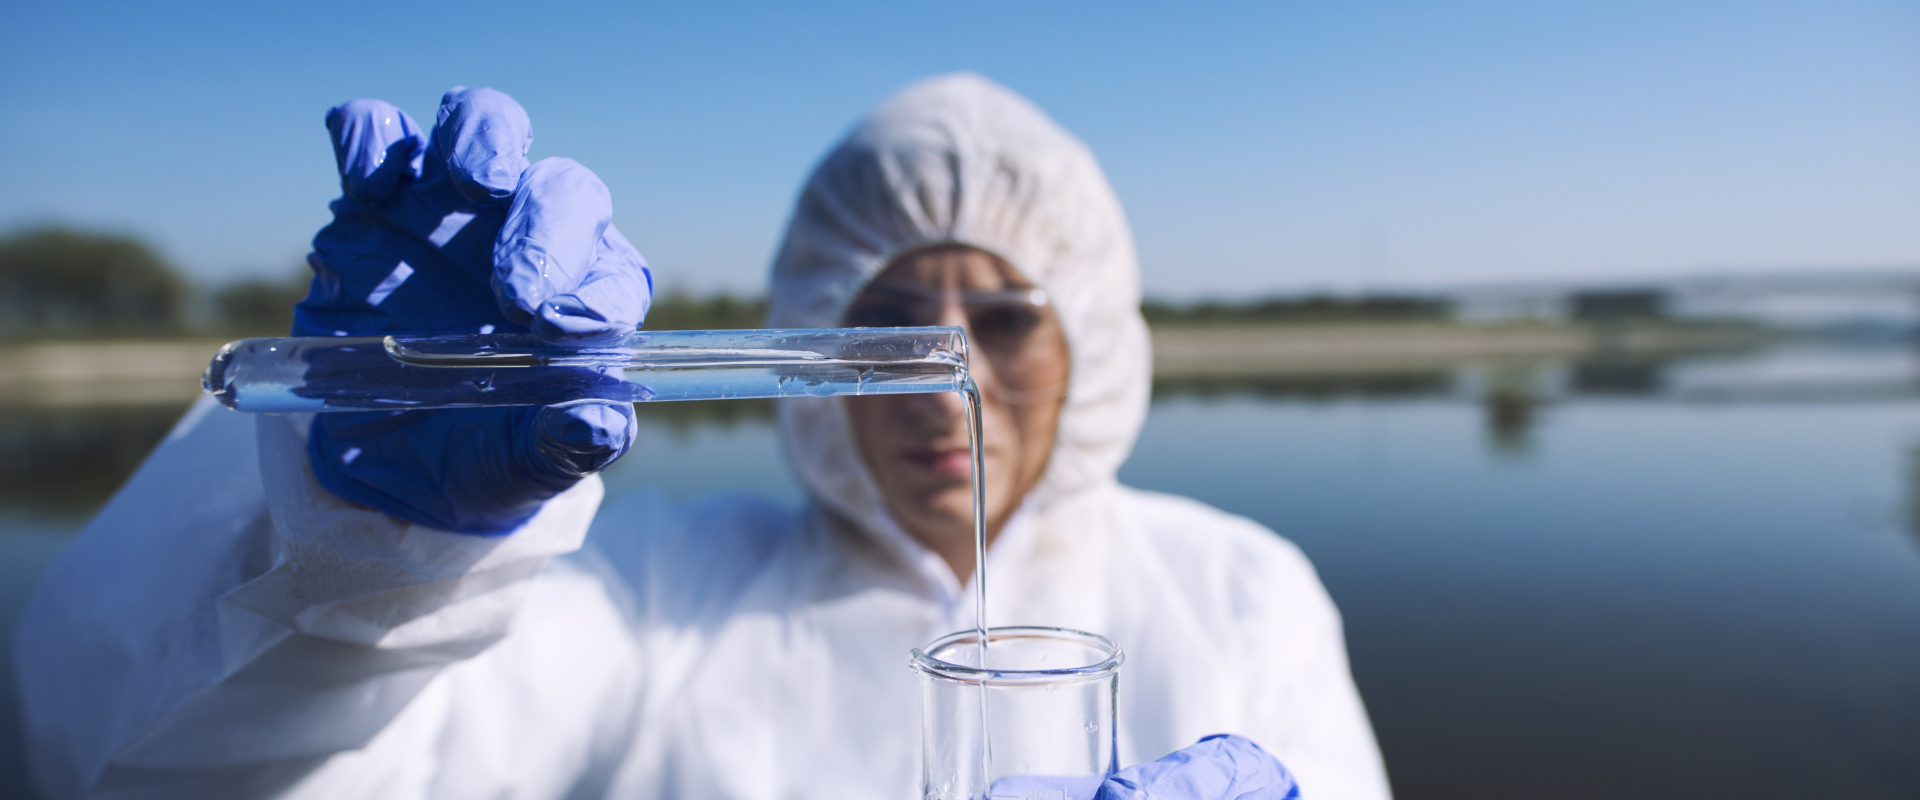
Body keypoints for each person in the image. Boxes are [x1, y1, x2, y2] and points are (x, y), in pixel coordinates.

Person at [13, 75, 1391, 799]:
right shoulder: (660, 596)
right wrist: (365, 550)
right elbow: (191, 778)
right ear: (816, 341)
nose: (943, 379)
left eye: (1008, 321)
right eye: (888, 323)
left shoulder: (1239, 592)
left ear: (1091, 341)